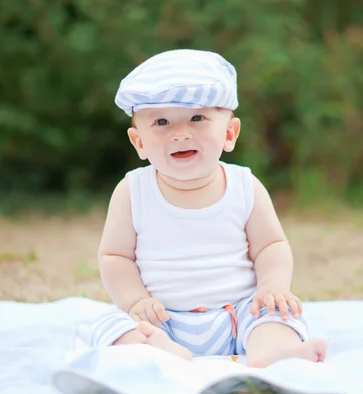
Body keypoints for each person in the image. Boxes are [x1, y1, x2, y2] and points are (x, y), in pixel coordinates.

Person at [87, 49, 327, 368]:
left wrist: (272, 286)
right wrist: (136, 301)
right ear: (139, 142)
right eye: (161, 122)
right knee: (108, 325)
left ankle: (271, 350)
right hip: (162, 318)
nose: (181, 133)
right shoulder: (133, 191)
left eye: (198, 118)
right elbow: (115, 256)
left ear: (229, 133)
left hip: (239, 313)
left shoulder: (244, 185)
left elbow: (271, 245)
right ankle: (161, 352)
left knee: (279, 315)